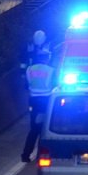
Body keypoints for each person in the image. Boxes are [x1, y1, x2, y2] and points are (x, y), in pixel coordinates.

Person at [21, 30, 54, 163]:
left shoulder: (29, 70)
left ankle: (25, 155)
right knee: (47, 128)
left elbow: (25, 84)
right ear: (46, 58)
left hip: (33, 100)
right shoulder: (51, 70)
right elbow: (56, 84)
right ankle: (43, 154)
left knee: (34, 129)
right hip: (47, 101)